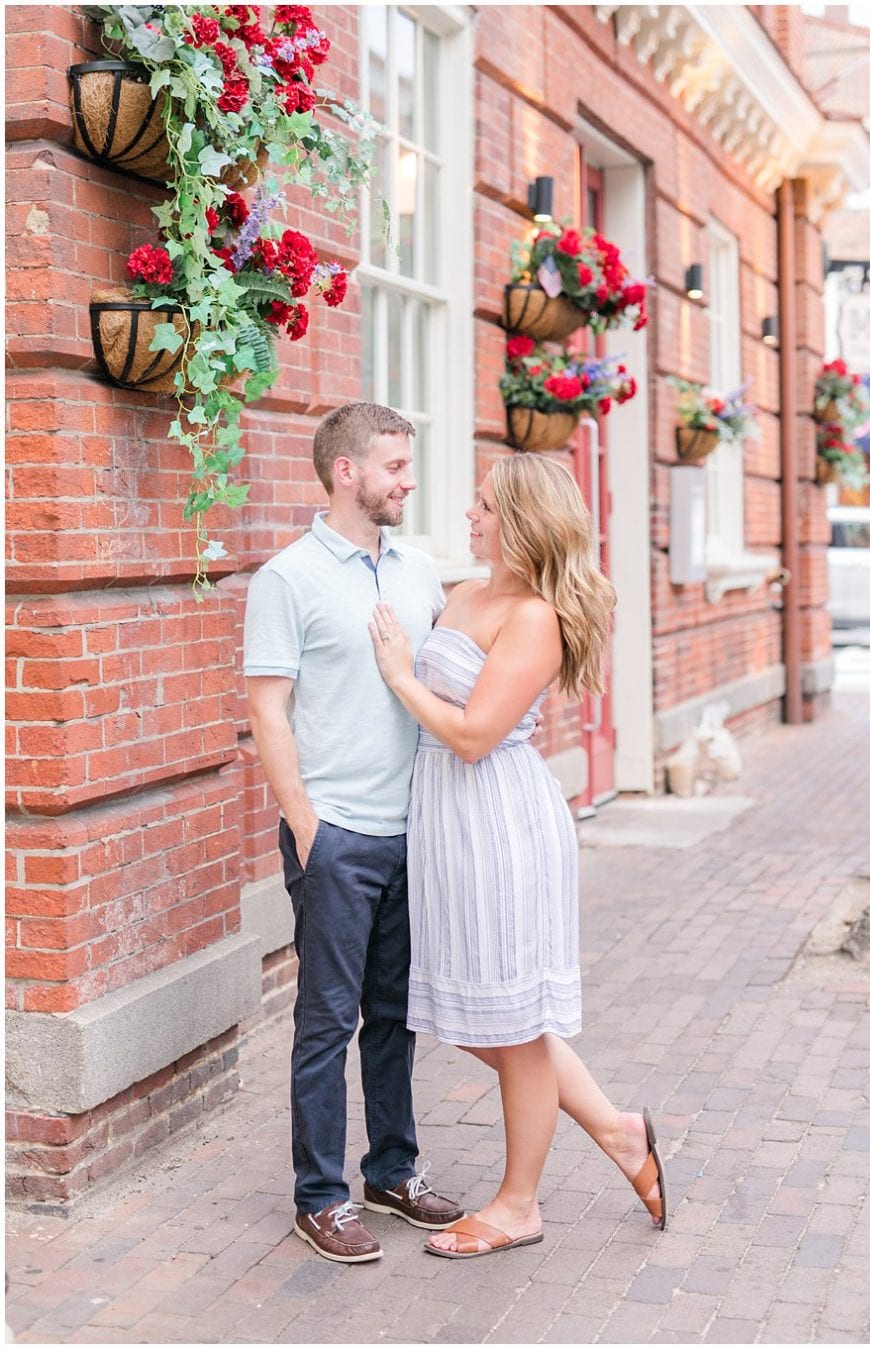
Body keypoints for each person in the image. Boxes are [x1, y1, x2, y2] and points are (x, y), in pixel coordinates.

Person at [367, 452, 666, 1258]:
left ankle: (519, 1204)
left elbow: (470, 735)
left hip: (498, 818)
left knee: (515, 1019)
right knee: (477, 1013)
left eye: (486, 506)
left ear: (525, 520)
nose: (469, 514)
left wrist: (399, 673)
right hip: (445, 823)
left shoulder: (533, 615)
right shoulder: (466, 591)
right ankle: (617, 1127)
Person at [245, 402, 466, 1264]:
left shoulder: (418, 572)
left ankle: (392, 1172)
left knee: (394, 1016)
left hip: (414, 832)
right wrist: (307, 824)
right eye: (395, 467)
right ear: (347, 471)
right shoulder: (288, 578)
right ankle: (320, 1195)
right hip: (337, 836)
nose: (408, 481)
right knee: (326, 1020)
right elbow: (268, 711)